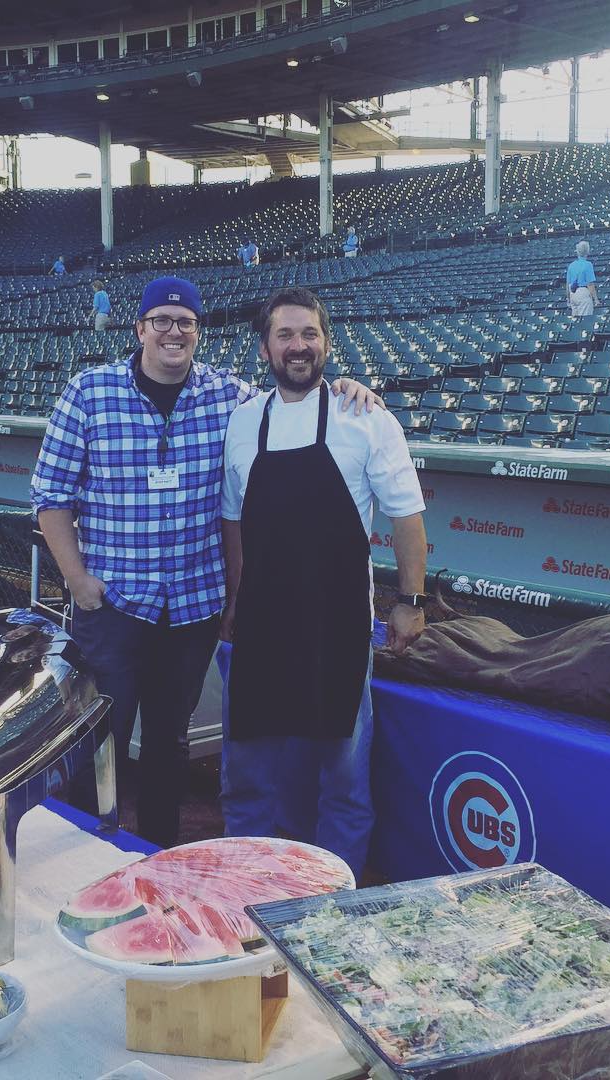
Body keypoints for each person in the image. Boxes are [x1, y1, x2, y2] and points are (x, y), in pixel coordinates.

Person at [30, 276, 381, 848]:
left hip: (192, 606)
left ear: (199, 332)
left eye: (186, 322)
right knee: (103, 737)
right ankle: (91, 850)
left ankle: (160, 852)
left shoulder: (230, 397)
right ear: (140, 328)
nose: (174, 331)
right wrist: (77, 581)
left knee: (169, 739)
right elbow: (50, 496)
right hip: (114, 604)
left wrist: (346, 388)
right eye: (161, 320)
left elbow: (294, 391)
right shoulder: (88, 393)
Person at [219, 287, 427, 879]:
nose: (298, 346)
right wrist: (235, 598)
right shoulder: (242, 422)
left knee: (344, 786)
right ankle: (246, 895)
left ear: (327, 343)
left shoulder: (365, 416)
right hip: (260, 629)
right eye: (284, 335)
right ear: (265, 348)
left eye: (310, 334)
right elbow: (232, 521)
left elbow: (407, 516)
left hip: (340, 630)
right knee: (247, 782)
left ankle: (333, 906)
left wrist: (410, 603)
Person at [566, 240, 598, 316]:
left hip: (573, 294)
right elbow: (590, 284)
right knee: (584, 320)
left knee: (575, 321)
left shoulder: (571, 265)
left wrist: (568, 298)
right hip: (583, 292)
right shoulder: (588, 265)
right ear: (587, 251)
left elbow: (568, 284)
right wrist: (595, 299)